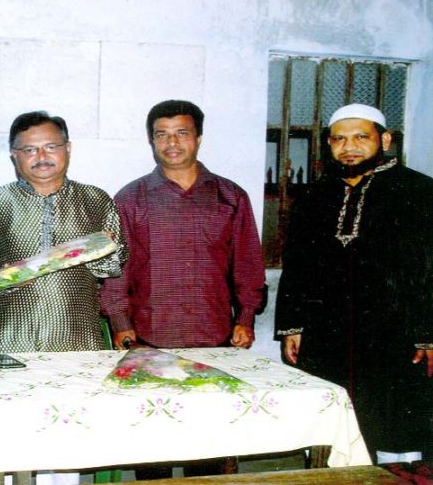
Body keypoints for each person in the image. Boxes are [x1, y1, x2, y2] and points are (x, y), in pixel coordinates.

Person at [275, 103, 433, 463]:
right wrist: (292, 327)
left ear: (386, 139)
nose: (350, 147)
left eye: (361, 137)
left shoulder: (420, 192)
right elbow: (296, 265)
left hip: (397, 334)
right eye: (339, 139)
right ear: (328, 145)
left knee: (399, 427)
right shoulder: (313, 196)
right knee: (335, 424)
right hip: (327, 335)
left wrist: (428, 333)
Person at [99, 100, 266, 351]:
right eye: (162, 134)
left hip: (216, 333)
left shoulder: (231, 196)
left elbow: (247, 264)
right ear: (152, 141)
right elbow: (117, 269)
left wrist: (246, 317)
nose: (172, 143)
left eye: (182, 133)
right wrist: (120, 322)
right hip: (148, 336)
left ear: (198, 138)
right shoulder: (130, 198)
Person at [0, 111, 125, 353]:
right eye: (30, 150)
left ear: (67, 148)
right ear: (15, 155)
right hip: (8, 333)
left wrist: (93, 251)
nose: (42, 157)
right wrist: (3, 277)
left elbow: (116, 263)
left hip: (78, 333)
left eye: (50, 147)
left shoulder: (95, 200)